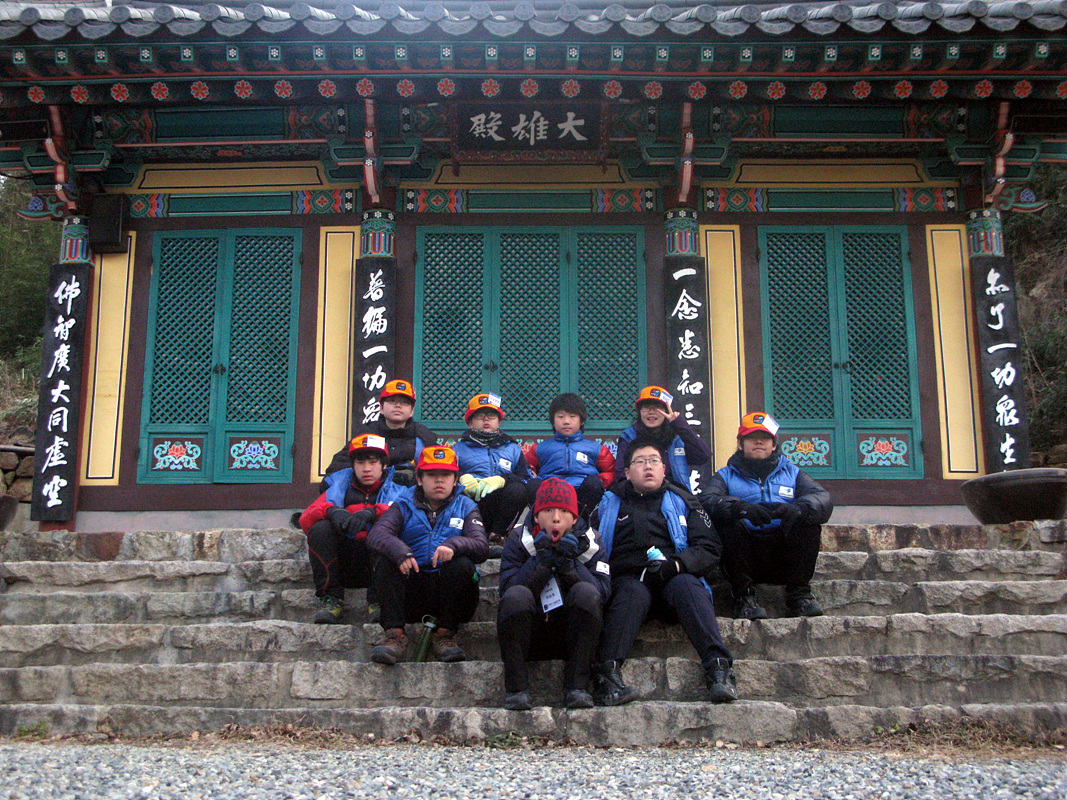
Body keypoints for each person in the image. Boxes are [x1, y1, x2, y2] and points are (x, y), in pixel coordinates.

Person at [591, 437, 736, 706]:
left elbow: (709, 547)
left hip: (673, 576)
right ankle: (607, 675)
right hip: (627, 582)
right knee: (632, 592)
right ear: (627, 472)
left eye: (654, 461)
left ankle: (719, 668)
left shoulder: (684, 500)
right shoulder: (608, 504)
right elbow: (590, 545)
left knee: (688, 586)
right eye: (640, 462)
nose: (648, 467)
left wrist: (677, 565)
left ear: (664, 468)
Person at [701, 412, 834, 620]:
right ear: (741, 444)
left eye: (765, 438)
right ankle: (744, 598)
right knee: (727, 523)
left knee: (807, 523)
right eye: (752, 437)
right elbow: (707, 501)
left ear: (774, 445)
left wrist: (797, 509)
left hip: (783, 556)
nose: (759, 442)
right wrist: (740, 508)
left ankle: (799, 596)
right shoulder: (725, 475)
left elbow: (823, 499)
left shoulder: (793, 473)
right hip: (743, 556)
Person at [366, 445, 488, 664]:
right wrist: (401, 552)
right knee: (387, 561)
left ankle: (445, 635)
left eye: (446, 475)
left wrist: (453, 545)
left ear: (455, 479)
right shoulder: (403, 503)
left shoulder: (466, 505)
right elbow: (377, 535)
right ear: (419, 479)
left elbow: (481, 546)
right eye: (432, 475)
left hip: (451, 594)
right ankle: (394, 636)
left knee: (462, 565)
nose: (439, 480)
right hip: (413, 590)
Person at [497, 478, 610, 711]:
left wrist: (570, 567)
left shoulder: (592, 542)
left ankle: (577, 687)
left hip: (573, 636)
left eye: (564, 511)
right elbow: (507, 591)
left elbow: (602, 593)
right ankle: (517, 689)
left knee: (586, 592)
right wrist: (540, 563)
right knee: (516, 596)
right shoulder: (518, 539)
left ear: (575, 518)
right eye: (548, 511)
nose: (556, 518)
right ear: (537, 516)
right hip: (531, 635)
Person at [298, 434, 402, 623]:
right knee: (320, 529)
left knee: (386, 529)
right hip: (343, 563)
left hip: (380, 566)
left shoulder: (399, 491)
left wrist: (374, 513)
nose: (366, 468)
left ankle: (379, 601)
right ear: (352, 465)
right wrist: (331, 511)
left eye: (373, 462)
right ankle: (330, 600)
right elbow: (305, 521)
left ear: (384, 465)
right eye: (360, 462)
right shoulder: (337, 487)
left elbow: (408, 520)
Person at [320, 379, 439, 491]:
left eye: (404, 402)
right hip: (371, 496)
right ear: (381, 408)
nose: (398, 405)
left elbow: (438, 472)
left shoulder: (424, 437)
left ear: (412, 411)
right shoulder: (367, 434)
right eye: (392, 401)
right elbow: (338, 468)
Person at [453, 393, 532, 543]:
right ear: (470, 422)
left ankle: (497, 536)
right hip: (472, 499)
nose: (486, 419)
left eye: (492, 415)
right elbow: (445, 475)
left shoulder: (513, 448)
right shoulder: (457, 449)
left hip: (501, 502)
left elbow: (526, 478)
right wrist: (461, 478)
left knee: (518, 491)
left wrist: (503, 480)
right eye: (480, 415)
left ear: (499, 421)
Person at [526, 393, 615, 520]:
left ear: (581, 421)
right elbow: (525, 468)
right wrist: (532, 476)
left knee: (594, 483)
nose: (566, 421)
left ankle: (581, 521)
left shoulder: (596, 449)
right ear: (553, 421)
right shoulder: (540, 448)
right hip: (549, 493)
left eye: (572, 416)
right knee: (533, 485)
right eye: (560, 416)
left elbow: (611, 471)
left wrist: (601, 480)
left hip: (581, 496)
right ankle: (541, 522)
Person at [614, 386, 711, 491]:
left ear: (667, 411)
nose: (651, 412)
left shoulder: (677, 437)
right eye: (646, 407)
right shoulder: (629, 437)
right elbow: (621, 475)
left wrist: (679, 425)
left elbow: (703, 456)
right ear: (640, 411)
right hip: (639, 495)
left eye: (657, 407)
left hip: (676, 494)